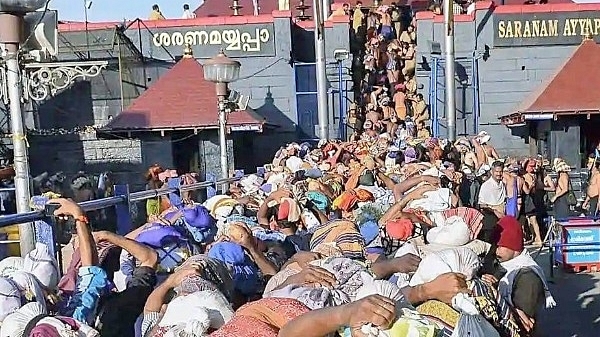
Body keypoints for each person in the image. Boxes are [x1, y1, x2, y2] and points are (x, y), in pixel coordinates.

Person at [482, 216, 556, 336]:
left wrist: (494, 292)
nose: (496, 251)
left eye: (500, 246)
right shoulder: (503, 263)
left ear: (513, 245)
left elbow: (523, 322)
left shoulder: (528, 277)